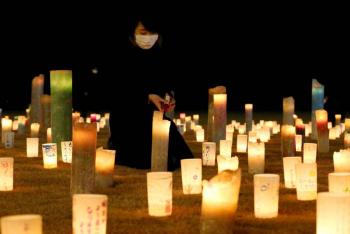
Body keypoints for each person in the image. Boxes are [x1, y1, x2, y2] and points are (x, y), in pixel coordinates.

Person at [104, 15, 193, 170]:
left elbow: (164, 86)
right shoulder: (121, 55)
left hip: (152, 118)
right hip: (127, 118)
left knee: (180, 155)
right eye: (143, 32)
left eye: (152, 33)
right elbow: (117, 92)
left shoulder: (159, 56)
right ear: (133, 31)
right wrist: (147, 97)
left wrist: (168, 99)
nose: (148, 37)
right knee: (149, 160)